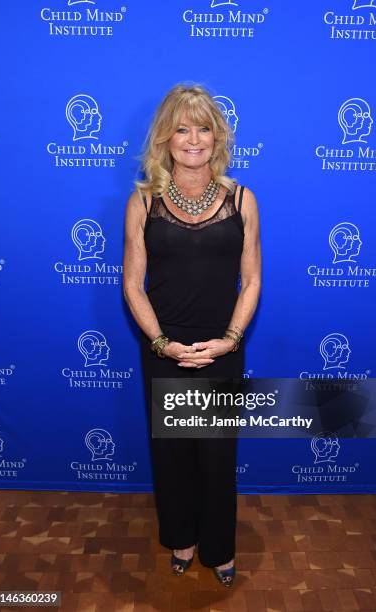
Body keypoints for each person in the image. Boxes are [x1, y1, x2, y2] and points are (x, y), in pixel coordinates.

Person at [123, 83, 261, 587]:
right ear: (165, 138)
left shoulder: (243, 199)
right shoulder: (143, 202)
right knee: (174, 453)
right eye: (182, 128)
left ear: (218, 137)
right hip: (165, 348)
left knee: (218, 455)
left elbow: (253, 280)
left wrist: (230, 338)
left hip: (222, 347)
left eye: (203, 127)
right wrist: (162, 344)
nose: (193, 138)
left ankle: (219, 549)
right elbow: (132, 285)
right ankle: (181, 538)